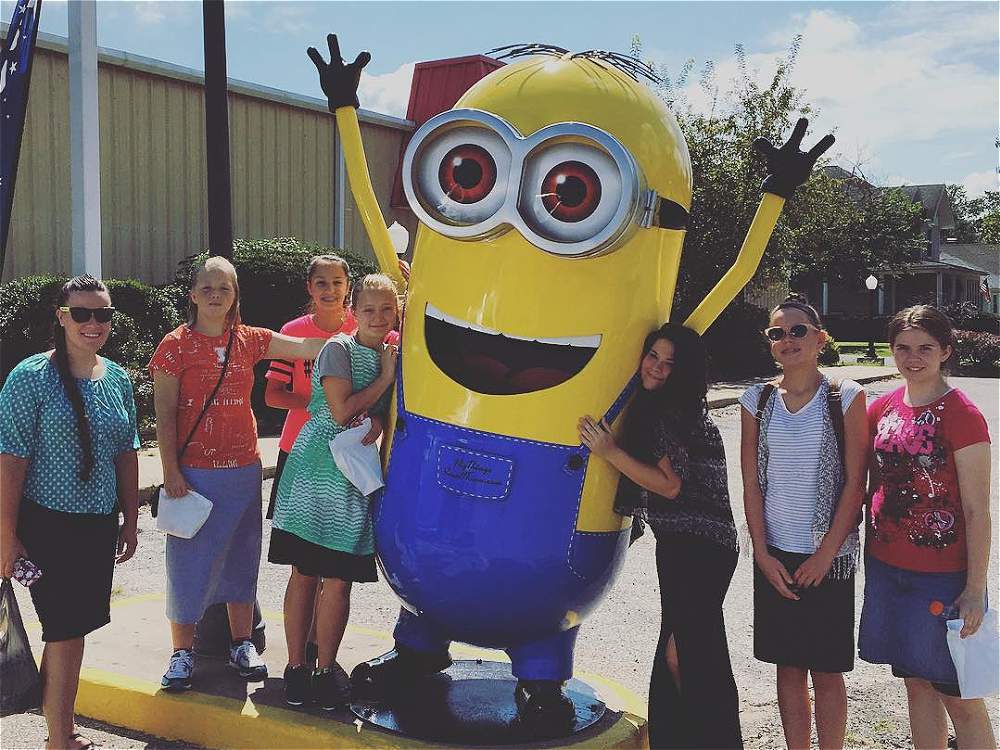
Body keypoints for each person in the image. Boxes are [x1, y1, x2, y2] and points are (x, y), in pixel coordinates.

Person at [149, 256, 327, 692]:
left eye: (223, 288)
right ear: (192, 294)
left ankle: (242, 643)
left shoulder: (249, 340)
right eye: (207, 287)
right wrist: (170, 470)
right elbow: (165, 414)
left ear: (234, 296)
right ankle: (182, 653)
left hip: (244, 471)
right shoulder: (174, 347)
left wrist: (370, 336)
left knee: (241, 559)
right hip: (193, 474)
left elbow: (306, 348)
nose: (215, 295)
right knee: (188, 564)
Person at [578, 322, 742, 749]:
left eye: (670, 363)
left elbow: (670, 485)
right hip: (685, 546)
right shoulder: (663, 407)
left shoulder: (670, 411)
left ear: (682, 372)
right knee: (693, 651)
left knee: (684, 653)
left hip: (700, 547)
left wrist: (609, 451)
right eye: (653, 356)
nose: (657, 368)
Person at [0, 275, 140, 750]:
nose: (92, 323)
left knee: (74, 629)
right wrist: (6, 535)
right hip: (45, 525)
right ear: (61, 317)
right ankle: (60, 738)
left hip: (97, 526)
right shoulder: (30, 378)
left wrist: (131, 519)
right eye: (81, 313)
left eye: (102, 314)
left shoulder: (118, 379)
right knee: (64, 630)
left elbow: (126, 453)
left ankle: (61, 731)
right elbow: (11, 461)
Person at [859, 305, 995, 750]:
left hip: (943, 576)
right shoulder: (881, 407)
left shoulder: (962, 414)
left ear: (945, 352)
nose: (912, 357)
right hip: (887, 567)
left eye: (925, 348)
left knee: (958, 692)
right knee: (915, 681)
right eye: (903, 348)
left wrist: (975, 588)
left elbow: (977, 509)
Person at [739, 294, 867, 750]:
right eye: (778, 333)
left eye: (798, 331)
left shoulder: (846, 396)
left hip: (827, 558)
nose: (788, 339)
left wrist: (826, 553)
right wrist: (762, 553)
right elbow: (751, 481)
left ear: (819, 339)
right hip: (776, 554)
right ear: (770, 343)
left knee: (827, 671)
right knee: (788, 668)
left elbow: (855, 483)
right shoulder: (757, 398)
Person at [268, 273, 398, 709]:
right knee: (304, 574)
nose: (378, 317)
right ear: (354, 311)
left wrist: (379, 421)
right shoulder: (338, 349)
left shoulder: (392, 352)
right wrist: (384, 382)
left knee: (339, 581)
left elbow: (372, 417)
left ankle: (325, 669)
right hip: (313, 471)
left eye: (387, 308)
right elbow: (340, 411)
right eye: (369, 309)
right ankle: (295, 668)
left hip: (353, 478)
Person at [263, 255, 357, 667]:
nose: (329, 290)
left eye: (337, 282)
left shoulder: (366, 328)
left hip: (349, 459)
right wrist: (325, 404)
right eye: (321, 283)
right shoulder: (292, 334)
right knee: (303, 567)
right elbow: (272, 395)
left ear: (348, 286)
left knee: (336, 569)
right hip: (298, 454)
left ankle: (323, 654)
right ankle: (297, 659)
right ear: (309, 288)